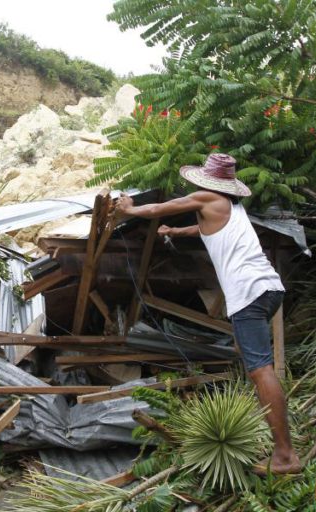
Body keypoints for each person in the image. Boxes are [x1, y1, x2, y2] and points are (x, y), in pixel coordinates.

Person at [115, 153, 302, 475]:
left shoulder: (207, 197)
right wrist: (176, 232)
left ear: (208, 181)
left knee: (261, 370)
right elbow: (203, 230)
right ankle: (280, 442)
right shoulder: (231, 207)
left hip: (248, 293)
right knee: (258, 367)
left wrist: (129, 209)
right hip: (268, 289)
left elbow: (160, 208)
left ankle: (285, 455)